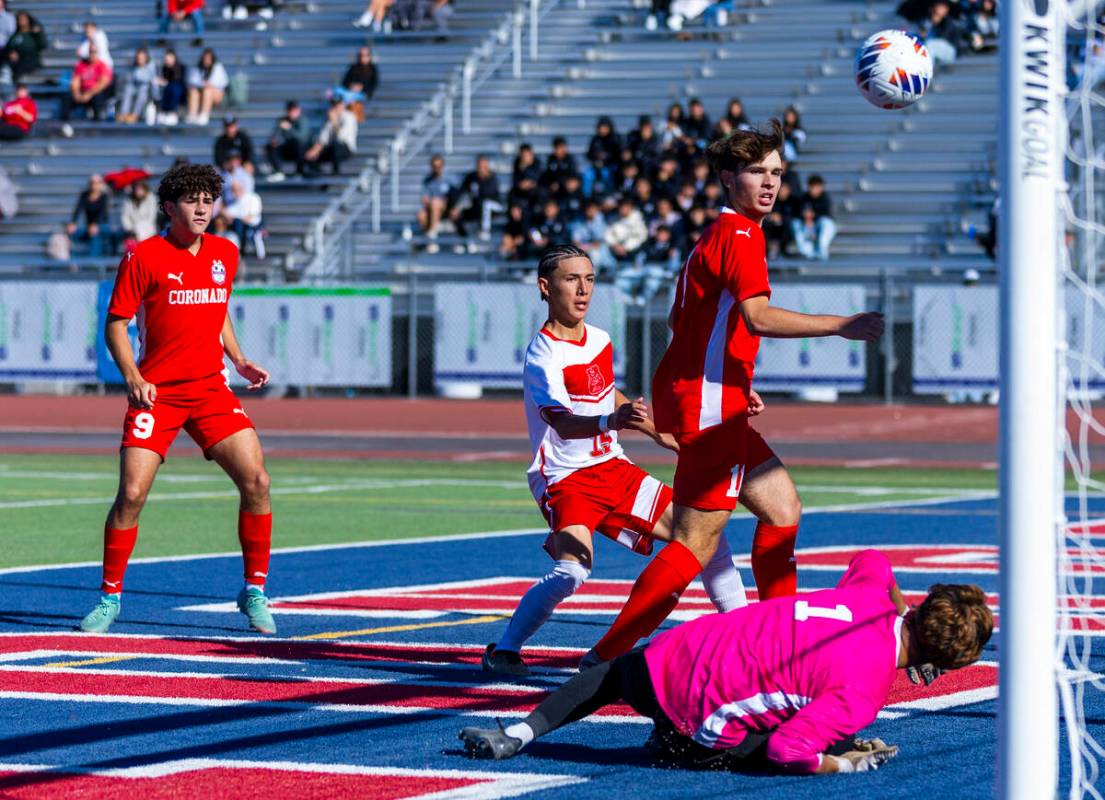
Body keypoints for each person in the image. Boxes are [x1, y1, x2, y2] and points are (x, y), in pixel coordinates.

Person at [579, 120, 884, 667]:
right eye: (757, 172)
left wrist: (737, 379)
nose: (770, 184)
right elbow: (757, 316)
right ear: (727, 177)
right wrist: (843, 325)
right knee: (694, 541)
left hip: (714, 399)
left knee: (782, 508)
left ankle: (782, 645)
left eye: (777, 173)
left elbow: (688, 322)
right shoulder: (740, 236)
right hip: (709, 409)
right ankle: (604, 656)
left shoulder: (722, 234)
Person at [461, 550, 993, 776]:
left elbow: (873, 562)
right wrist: (839, 762)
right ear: (942, 665)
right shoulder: (865, 693)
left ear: (923, 607)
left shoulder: (874, 597)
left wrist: (902, 607)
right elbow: (789, 750)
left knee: (615, 674)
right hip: (701, 716)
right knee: (815, 742)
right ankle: (677, 743)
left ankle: (520, 732)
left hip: (670, 656)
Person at [481, 245, 750, 677]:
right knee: (572, 571)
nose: (584, 289)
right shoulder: (542, 356)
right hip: (566, 480)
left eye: (590, 279)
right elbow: (564, 423)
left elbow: (607, 394)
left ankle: (745, 636)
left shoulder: (601, 339)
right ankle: (505, 650)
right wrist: (612, 420)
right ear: (545, 288)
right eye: (572, 279)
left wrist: (656, 432)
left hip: (615, 470)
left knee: (709, 539)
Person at [78, 162, 276, 636]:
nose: (202, 207)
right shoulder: (143, 257)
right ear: (169, 207)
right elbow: (115, 324)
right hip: (158, 394)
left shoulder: (226, 253)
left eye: (209, 199)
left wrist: (239, 358)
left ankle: (254, 591)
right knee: (131, 494)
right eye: (192, 200)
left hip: (210, 389)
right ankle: (110, 597)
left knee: (258, 482)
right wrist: (131, 376)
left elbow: (218, 307)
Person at [449, 154, 501, 245]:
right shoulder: (471, 178)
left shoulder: (492, 179)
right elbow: (462, 193)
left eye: (483, 166)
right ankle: (464, 239)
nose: (481, 169)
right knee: (456, 213)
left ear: (487, 166)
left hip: (493, 207)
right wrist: (456, 208)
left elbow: (486, 195)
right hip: (476, 207)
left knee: (485, 204)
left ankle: (485, 231)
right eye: (479, 166)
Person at [60, 44, 113, 123]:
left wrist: (89, 94)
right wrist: (76, 94)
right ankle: (64, 124)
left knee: (97, 98)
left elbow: (103, 83)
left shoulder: (102, 66)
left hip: (94, 93)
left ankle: (97, 124)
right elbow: (75, 81)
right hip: (82, 92)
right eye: (90, 52)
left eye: (94, 52)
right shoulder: (81, 64)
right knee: (67, 97)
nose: (92, 54)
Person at [305, 98, 358, 176]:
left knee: (336, 145)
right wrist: (315, 149)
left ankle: (336, 172)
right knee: (311, 154)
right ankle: (319, 175)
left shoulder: (349, 117)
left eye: (338, 105)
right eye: (334, 105)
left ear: (343, 105)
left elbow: (340, 136)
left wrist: (334, 121)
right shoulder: (330, 117)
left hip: (346, 148)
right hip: (332, 148)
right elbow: (323, 137)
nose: (336, 107)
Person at [790, 175, 836, 261]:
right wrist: (806, 218)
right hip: (808, 226)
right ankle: (808, 254)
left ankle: (822, 254)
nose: (814, 189)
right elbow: (798, 213)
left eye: (817, 186)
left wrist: (812, 216)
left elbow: (827, 214)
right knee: (796, 224)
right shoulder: (804, 199)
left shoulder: (826, 199)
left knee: (825, 223)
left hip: (821, 226)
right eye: (812, 186)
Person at [66, 174, 112, 257]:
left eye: (97, 182)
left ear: (101, 184)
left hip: (102, 225)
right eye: (92, 182)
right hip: (89, 227)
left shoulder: (104, 196)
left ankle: (92, 262)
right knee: (71, 234)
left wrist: (95, 224)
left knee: (95, 236)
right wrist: (73, 223)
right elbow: (78, 210)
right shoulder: (84, 195)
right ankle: (72, 263)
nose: (94, 185)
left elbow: (102, 213)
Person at [265, 100, 312, 181]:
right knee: (270, 146)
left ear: (298, 110)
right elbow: (275, 135)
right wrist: (275, 139)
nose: (291, 112)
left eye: (293, 110)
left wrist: (290, 129)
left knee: (298, 145)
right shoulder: (282, 120)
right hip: (287, 149)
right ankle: (278, 172)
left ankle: (299, 172)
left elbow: (302, 138)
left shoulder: (303, 120)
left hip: (301, 151)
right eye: (290, 110)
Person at [417, 154, 451, 252]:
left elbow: (455, 195)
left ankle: (431, 237)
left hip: (447, 207)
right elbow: (424, 197)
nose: (437, 169)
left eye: (439, 166)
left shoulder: (449, 178)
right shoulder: (428, 180)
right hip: (432, 208)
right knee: (421, 215)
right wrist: (426, 200)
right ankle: (428, 239)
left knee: (435, 202)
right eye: (434, 166)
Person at [186, 48, 228, 126]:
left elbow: (223, 82)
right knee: (193, 91)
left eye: (208, 58)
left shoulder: (218, 67)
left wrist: (209, 84)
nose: (206, 60)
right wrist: (202, 84)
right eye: (205, 58)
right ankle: (192, 114)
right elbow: (191, 80)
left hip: (215, 94)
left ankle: (204, 114)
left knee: (207, 90)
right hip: (200, 94)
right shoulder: (197, 67)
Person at [117, 47, 158, 124]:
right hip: (133, 86)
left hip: (145, 89)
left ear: (146, 58)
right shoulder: (133, 66)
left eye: (141, 58)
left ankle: (135, 115)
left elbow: (149, 79)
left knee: (142, 92)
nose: (139, 59)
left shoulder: (151, 66)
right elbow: (129, 78)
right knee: (127, 90)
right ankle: (124, 113)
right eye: (138, 58)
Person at [333, 46, 378, 116]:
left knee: (345, 107)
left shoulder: (373, 70)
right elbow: (345, 82)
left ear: (370, 56)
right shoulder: (354, 68)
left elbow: (373, 85)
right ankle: (336, 123)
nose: (363, 57)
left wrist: (362, 88)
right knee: (334, 110)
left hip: (361, 96)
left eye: (366, 55)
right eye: (361, 55)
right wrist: (352, 86)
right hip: (348, 94)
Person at [4, 11, 46, 82]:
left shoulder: (33, 34)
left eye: (23, 19)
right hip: (17, 62)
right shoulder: (15, 34)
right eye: (19, 19)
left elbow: (42, 45)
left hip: (30, 61)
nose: (21, 21)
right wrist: (11, 52)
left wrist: (38, 34)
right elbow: (9, 47)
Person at [155, 48, 186, 125]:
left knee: (174, 88)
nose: (168, 60)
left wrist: (166, 83)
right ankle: (163, 111)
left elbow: (179, 82)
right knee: (165, 89)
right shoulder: (164, 68)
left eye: (169, 58)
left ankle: (172, 112)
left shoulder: (181, 67)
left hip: (180, 92)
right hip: (167, 90)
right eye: (166, 58)